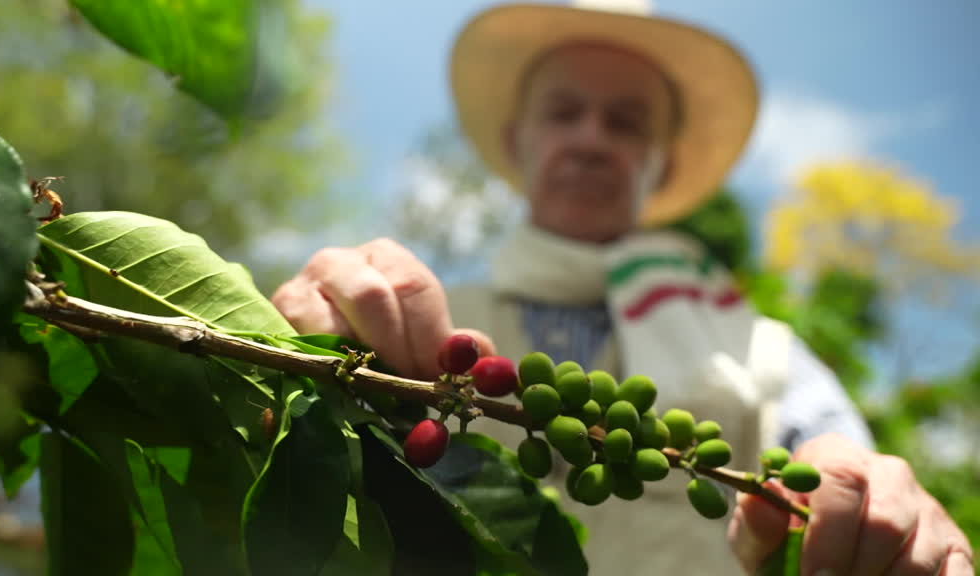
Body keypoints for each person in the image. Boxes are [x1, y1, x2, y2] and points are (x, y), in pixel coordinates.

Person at [271, 1, 974, 574]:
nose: (591, 137)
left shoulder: (761, 350)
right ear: (520, 142)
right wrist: (297, 360)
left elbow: (836, 451)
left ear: (659, 165)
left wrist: (869, 495)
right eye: (564, 112)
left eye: (625, 122)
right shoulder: (426, 329)